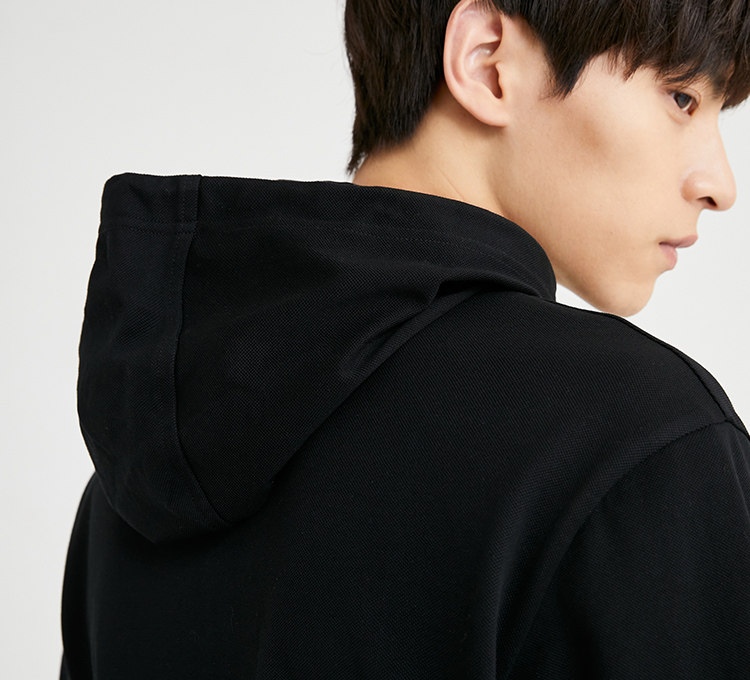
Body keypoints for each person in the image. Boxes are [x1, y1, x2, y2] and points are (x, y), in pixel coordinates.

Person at [59, 1, 750, 678]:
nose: (720, 185)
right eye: (682, 97)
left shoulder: (140, 480)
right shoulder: (639, 439)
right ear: (487, 63)